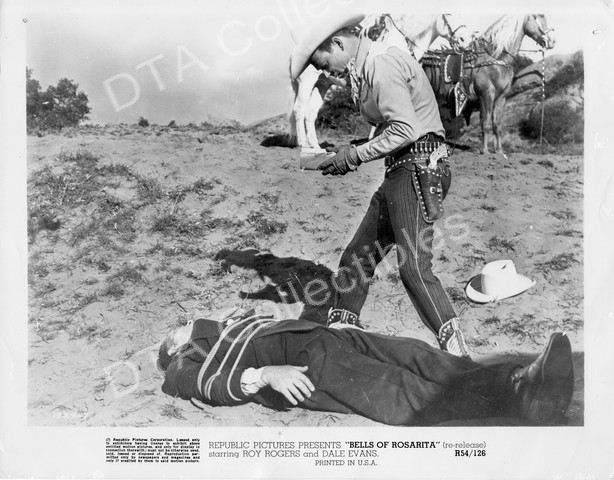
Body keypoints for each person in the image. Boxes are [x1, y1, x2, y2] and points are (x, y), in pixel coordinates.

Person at [289, 14, 468, 356]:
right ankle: (343, 341)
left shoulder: (381, 63)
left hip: (417, 168)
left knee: (414, 267)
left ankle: (459, 357)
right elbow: (392, 129)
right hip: (401, 170)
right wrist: (347, 154)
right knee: (357, 258)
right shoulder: (369, 67)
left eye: (324, 64)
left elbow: (405, 130)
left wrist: (354, 156)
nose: (328, 73)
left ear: (338, 44)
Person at [158, 311, 575, 426]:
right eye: (174, 332)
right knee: (399, 389)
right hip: (307, 365)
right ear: (175, 347)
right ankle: (524, 399)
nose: (180, 325)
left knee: (419, 355)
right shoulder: (184, 363)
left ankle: (516, 379)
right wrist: (266, 376)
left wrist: (332, 328)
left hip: (327, 338)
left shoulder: (226, 325)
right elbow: (206, 386)